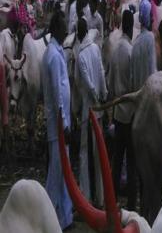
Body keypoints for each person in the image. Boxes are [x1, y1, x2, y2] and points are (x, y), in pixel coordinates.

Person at [41, 12, 73, 230]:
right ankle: (46, 216)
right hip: (58, 125)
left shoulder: (56, 51)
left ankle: (64, 218)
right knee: (56, 173)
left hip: (62, 122)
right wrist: (63, 123)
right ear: (56, 29)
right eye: (63, 28)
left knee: (63, 171)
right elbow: (56, 93)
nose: (66, 32)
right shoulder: (52, 56)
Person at [76, 17, 107, 207]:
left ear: (79, 34)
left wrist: (95, 98)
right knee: (98, 153)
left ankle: (86, 196)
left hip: (89, 110)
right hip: (99, 110)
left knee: (84, 153)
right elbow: (101, 72)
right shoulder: (95, 48)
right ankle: (101, 198)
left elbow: (87, 82)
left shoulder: (81, 56)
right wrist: (104, 95)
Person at [108, 10, 136, 211]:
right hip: (130, 113)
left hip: (117, 112)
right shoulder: (130, 51)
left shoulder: (116, 49)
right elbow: (134, 84)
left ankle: (114, 199)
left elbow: (110, 83)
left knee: (117, 160)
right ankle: (132, 205)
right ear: (130, 27)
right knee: (132, 160)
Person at [131, 0, 157, 91]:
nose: (153, 19)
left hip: (137, 96)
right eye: (150, 16)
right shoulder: (150, 38)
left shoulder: (135, 43)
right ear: (147, 18)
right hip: (148, 95)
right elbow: (153, 70)